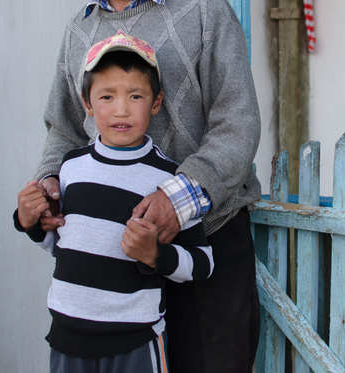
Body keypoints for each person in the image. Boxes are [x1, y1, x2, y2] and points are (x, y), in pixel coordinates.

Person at [30, 0, 261, 372]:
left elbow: (236, 123)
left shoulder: (203, 8)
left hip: (206, 241)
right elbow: (64, 129)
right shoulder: (79, 29)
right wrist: (49, 186)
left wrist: (177, 201)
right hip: (115, 261)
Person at [15, 33, 215, 372]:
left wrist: (155, 254)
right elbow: (61, 245)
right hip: (67, 336)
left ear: (155, 102)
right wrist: (27, 221)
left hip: (134, 341)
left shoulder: (169, 182)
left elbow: (203, 263)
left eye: (135, 96)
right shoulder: (70, 168)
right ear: (88, 104)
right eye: (107, 96)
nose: (121, 110)